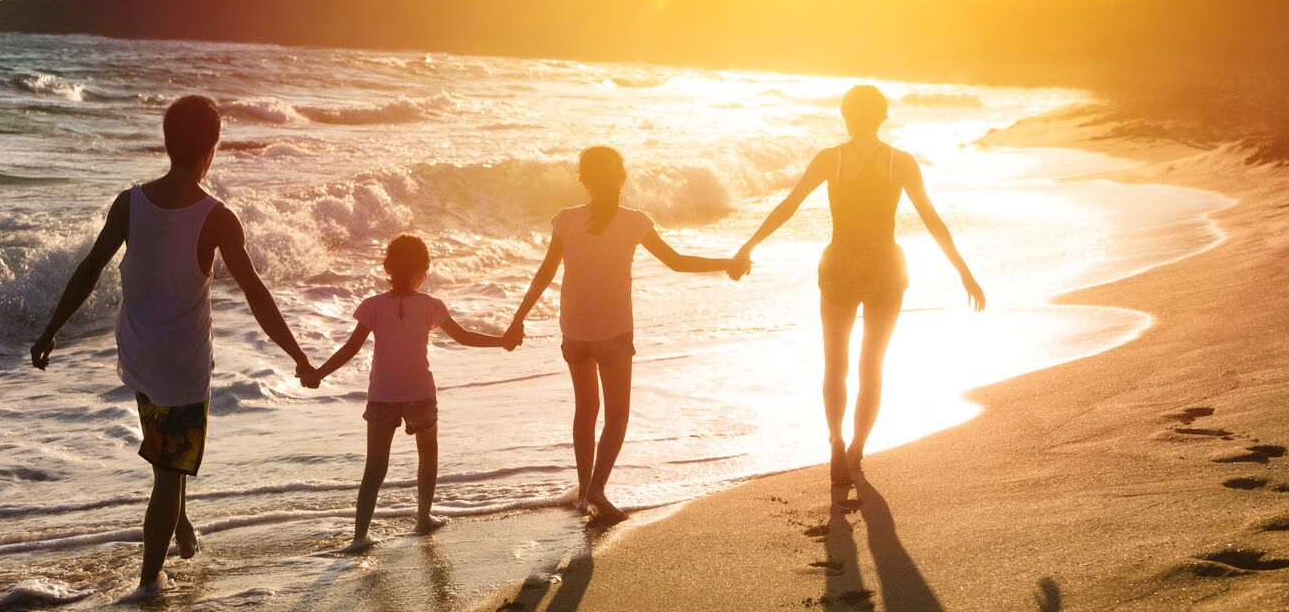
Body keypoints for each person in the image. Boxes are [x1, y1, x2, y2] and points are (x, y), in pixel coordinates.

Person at [29, 95, 314, 594]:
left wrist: (51, 327)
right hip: (182, 367)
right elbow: (256, 295)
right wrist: (298, 355)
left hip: (137, 353)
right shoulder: (218, 217)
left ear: (167, 144)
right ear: (212, 150)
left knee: (167, 456)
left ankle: (179, 522)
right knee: (168, 473)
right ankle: (148, 584)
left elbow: (90, 269)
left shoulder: (129, 202)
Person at [733, 85, 986, 486]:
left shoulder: (831, 159)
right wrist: (963, 272)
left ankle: (835, 441)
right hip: (885, 268)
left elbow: (789, 205)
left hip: (841, 266)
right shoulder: (899, 162)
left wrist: (748, 245)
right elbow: (932, 219)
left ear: (845, 116)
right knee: (872, 366)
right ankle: (856, 450)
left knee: (836, 364)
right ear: (882, 117)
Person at [505, 146, 748, 526]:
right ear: (621, 178)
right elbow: (677, 262)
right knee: (617, 415)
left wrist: (518, 319)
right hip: (613, 330)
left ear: (582, 180)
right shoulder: (634, 222)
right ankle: (597, 489)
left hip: (575, 331)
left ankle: (586, 494)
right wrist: (728, 263)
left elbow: (545, 273)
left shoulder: (566, 220)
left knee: (585, 411)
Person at [298, 234, 516, 551]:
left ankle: (360, 536)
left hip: (382, 395)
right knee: (427, 454)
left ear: (387, 267)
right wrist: (502, 341)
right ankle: (423, 517)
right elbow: (464, 337)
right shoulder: (430, 306)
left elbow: (349, 349)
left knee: (375, 466)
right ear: (424, 270)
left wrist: (318, 373)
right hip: (420, 393)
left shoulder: (372, 306)